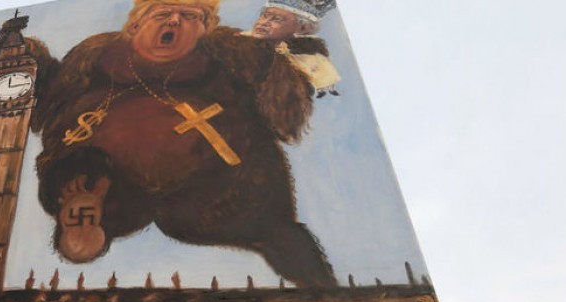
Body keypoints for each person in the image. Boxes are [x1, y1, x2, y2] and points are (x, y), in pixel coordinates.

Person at [30, 0, 337, 287]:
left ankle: (326, 295)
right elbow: (53, 99)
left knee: (273, 232)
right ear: (135, 26)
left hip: (222, 177)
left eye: (190, 16)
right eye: (163, 14)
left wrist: (290, 55)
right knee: (92, 177)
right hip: (108, 166)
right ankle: (86, 207)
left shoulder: (230, 54)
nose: (175, 20)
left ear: (204, 29)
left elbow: (285, 108)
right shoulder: (98, 57)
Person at [246, 0, 341, 97]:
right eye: (264, 16)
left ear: (301, 29)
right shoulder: (236, 43)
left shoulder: (308, 59)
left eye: (277, 19)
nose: (263, 23)